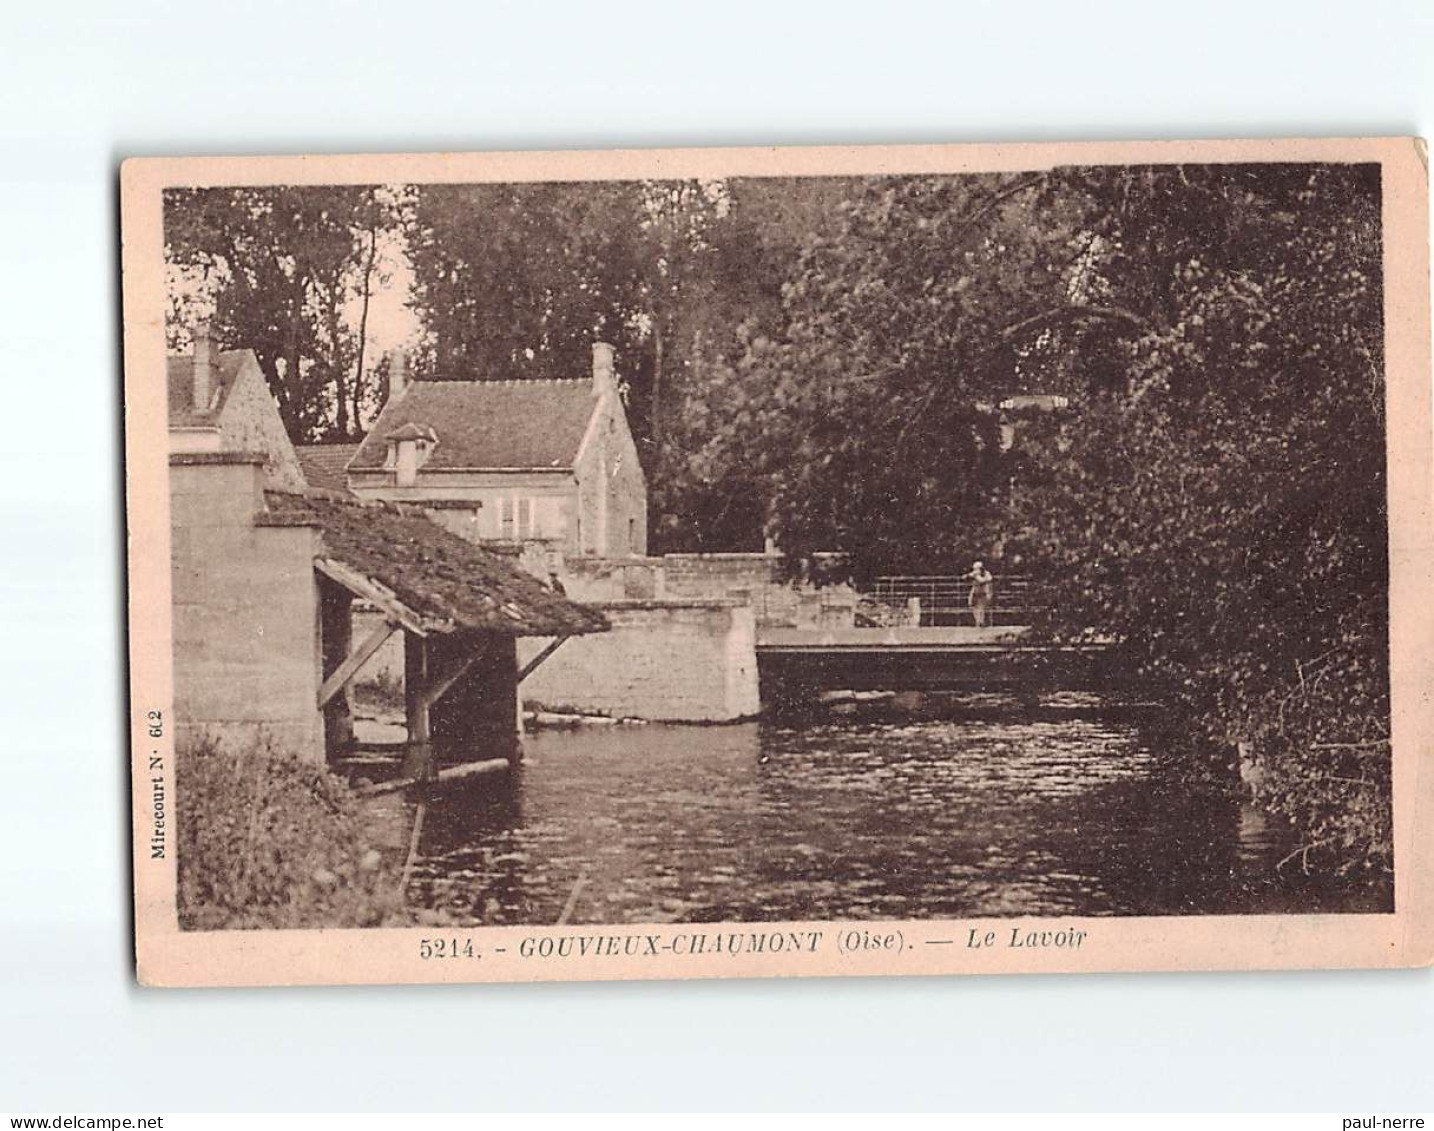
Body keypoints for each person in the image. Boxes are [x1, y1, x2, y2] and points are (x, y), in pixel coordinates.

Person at [967, 560, 995, 628]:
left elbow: (988, 579)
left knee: (981, 607)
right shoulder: (975, 574)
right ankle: (978, 621)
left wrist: (983, 578)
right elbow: (980, 579)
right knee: (973, 606)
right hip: (975, 592)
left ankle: (981, 622)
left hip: (983, 592)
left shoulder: (986, 573)